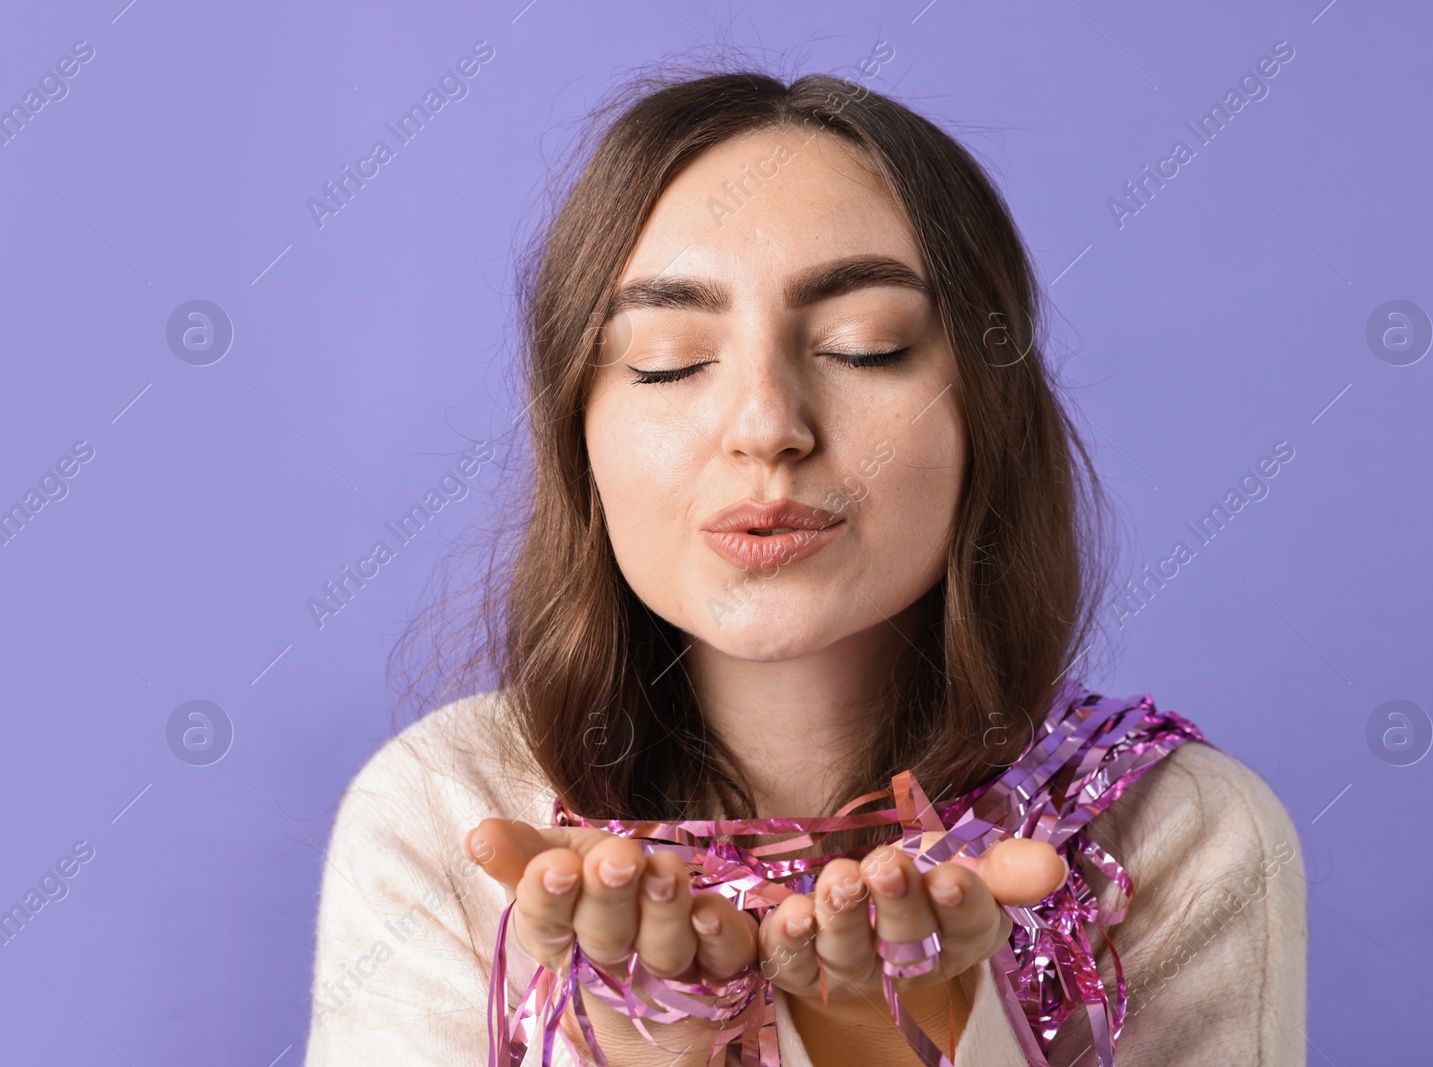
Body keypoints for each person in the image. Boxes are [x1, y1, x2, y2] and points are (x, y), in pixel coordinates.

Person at [303, 63, 1306, 1067]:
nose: (767, 426)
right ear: (578, 436)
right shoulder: (443, 812)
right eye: (666, 358)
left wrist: (889, 1036)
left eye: (866, 347)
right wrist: (638, 1044)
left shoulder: (1177, 835)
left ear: (986, 412)